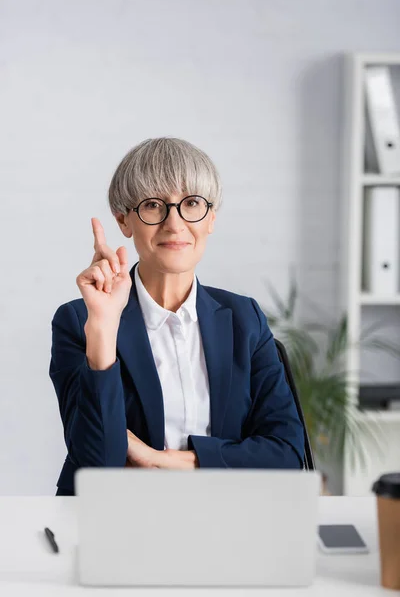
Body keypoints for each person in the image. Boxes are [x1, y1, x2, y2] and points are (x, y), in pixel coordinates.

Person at [49, 137, 305, 496]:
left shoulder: (244, 318)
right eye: (154, 205)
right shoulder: (79, 321)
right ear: (124, 219)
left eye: (192, 203)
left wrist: (158, 460)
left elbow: (286, 455)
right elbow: (97, 465)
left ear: (211, 218)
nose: (175, 223)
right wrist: (104, 331)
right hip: (118, 524)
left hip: (226, 519)